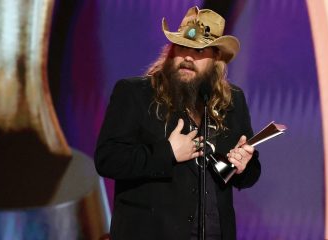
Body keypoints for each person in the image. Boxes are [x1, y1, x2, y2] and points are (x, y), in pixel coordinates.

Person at [95, 6, 261, 240]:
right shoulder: (135, 94)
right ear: (171, 51)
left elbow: (251, 173)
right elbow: (107, 159)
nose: (188, 57)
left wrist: (244, 166)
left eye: (199, 51)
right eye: (182, 46)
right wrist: (168, 153)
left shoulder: (233, 101)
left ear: (216, 58)